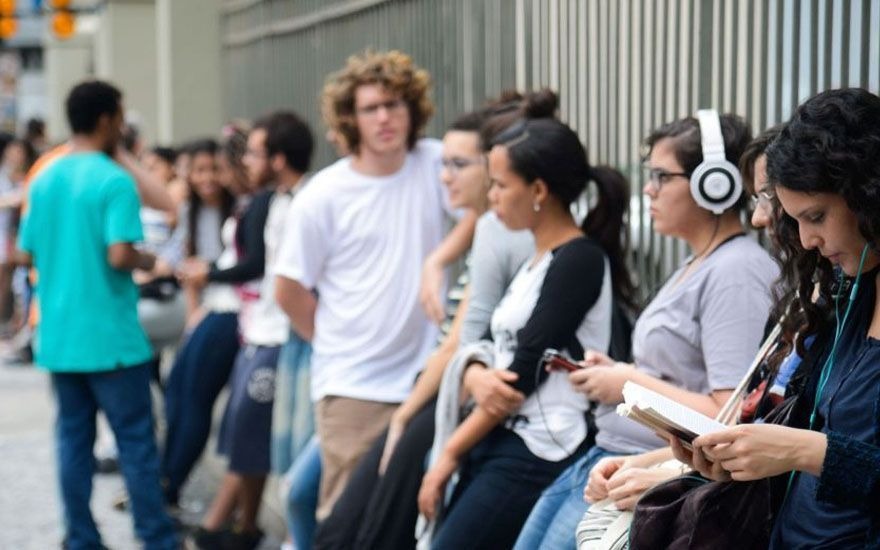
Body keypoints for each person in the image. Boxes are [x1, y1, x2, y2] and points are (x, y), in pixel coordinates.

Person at [513, 112, 778, 550]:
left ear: (714, 182)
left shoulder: (737, 272)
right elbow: (679, 373)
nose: (649, 189)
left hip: (647, 474)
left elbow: (726, 414)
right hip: (612, 460)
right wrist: (619, 372)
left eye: (661, 176)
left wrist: (627, 383)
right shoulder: (699, 262)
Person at [416, 108, 635, 548]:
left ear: (537, 190)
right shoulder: (538, 259)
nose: (491, 196)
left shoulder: (579, 259)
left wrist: (448, 456)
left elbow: (520, 374)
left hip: (541, 447)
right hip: (508, 437)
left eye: (499, 185)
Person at [671, 88, 880, 549]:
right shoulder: (852, 293)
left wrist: (802, 450)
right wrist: (745, 457)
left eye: (818, 216)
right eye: (796, 220)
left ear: (868, 194)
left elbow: (826, 453)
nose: (806, 240)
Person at [274, 49, 476, 520]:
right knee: (346, 516)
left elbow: (481, 210)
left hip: (424, 377)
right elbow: (288, 290)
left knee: (409, 514)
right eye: (370, 108)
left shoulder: (434, 163)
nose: (385, 117)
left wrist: (440, 259)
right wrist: (333, 341)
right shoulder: (322, 194)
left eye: (394, 104)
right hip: (353, 384)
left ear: (412, 110)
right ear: (350, 118)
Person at [16, 80, 177, 550]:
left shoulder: (44, 178)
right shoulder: (113, 180)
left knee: (72, 442)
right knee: (136, 444)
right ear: (108, 119)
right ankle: (155, 537)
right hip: (112, 339)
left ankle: (81, 537)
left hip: (60, 337)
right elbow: (120, 254)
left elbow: (25, 254)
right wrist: (153, 262)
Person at [193, 111, 314, 550]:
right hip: (262, 332)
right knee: (248, 437)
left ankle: (229, 529)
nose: (246, 162)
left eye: (255, 153)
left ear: (278, 158)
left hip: (285, 337)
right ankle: (242, 529)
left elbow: (284, 274)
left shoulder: (307, 200)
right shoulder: (279, 200)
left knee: (265, 443)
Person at [163, 124, 269, 521]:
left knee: (195, 402)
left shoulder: (252, 205)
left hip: (233, 314)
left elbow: (249, 266)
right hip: (214, 309)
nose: (215, 178)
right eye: (205, 169)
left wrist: (208, 275)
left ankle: (169, 484)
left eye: (221, 168)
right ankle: (164, 482)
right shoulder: (235, 205)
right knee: (179, 394)